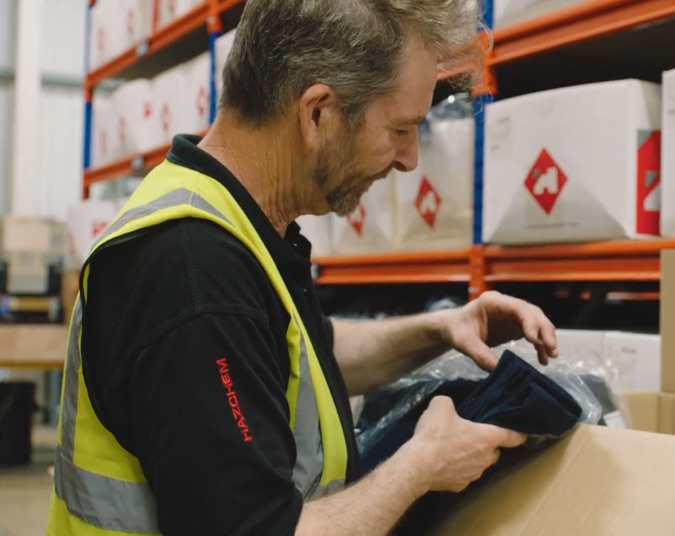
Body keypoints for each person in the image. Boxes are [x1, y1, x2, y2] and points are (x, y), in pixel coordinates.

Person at [47, 1, 560, 535]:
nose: (409, 159)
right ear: (317, 113)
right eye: (401, 128)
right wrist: (423, 465)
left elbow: (303, 359)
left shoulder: (231, 220)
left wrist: (443, 328)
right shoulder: (192, 273)